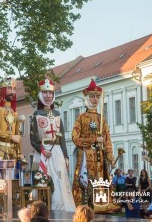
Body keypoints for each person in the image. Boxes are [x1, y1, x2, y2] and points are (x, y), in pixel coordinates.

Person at [72, 78, 119, 213]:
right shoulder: (81, 117)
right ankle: (84, 205)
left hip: (100, 156)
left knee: (100, 180)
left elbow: (107, 139)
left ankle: (100, 204)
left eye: (97, 97)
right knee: (86, 180)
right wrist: (94, 139)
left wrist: (110, 157)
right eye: (92, 96)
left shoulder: (101, 118)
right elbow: (75, 138)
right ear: (86, 98)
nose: (95, 99)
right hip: (86, 155)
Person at [30, 78, 75, 211]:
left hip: (57, 152)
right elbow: (33, 139)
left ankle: (62, 207)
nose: (48, 96)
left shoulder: (57, 114)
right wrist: (42, 150)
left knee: (60, 178)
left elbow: (62, 138)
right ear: (40, 95)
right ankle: (43, 206)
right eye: (45, 93)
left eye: (50, 93)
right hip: (43, 153)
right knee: (44, 177)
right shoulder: (36, 115)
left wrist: (66, 156)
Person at [0, 77, 22, 160]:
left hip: (13, 152)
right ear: (3, 90)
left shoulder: (14, 113)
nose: (12, 92)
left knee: (12, 173)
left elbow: (17, 134)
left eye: (14, 89)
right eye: (9, 88)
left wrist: (20, 152)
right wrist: (11, 137)